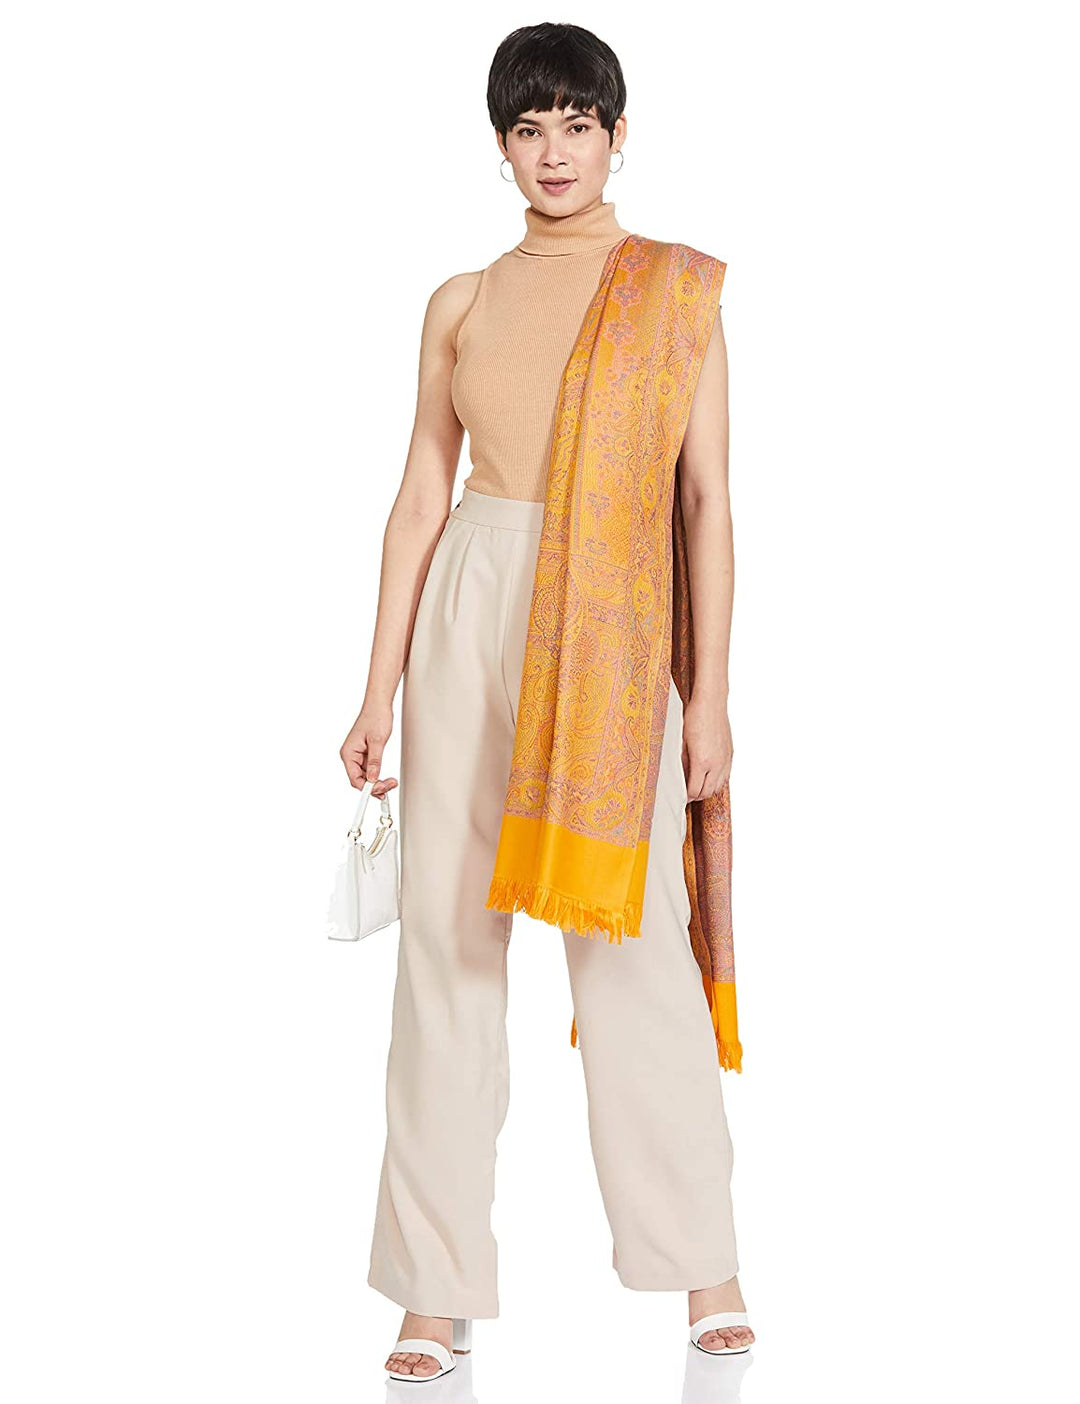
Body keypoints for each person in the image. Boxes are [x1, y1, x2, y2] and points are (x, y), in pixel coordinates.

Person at [338, 22, 754, 1382]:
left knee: (635, 949)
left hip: (616, 633)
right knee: (446, 950)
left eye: (580, 124)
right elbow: (419, 495)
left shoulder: (675, 295)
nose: (555, 152)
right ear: (501, 147)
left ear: (619, 138)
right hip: (473, 604)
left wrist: (710, 698)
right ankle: (432, 1288)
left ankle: (705, 1265)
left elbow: (706, 501)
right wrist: (376, 689)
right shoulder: (460, 302)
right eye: (529, 129)